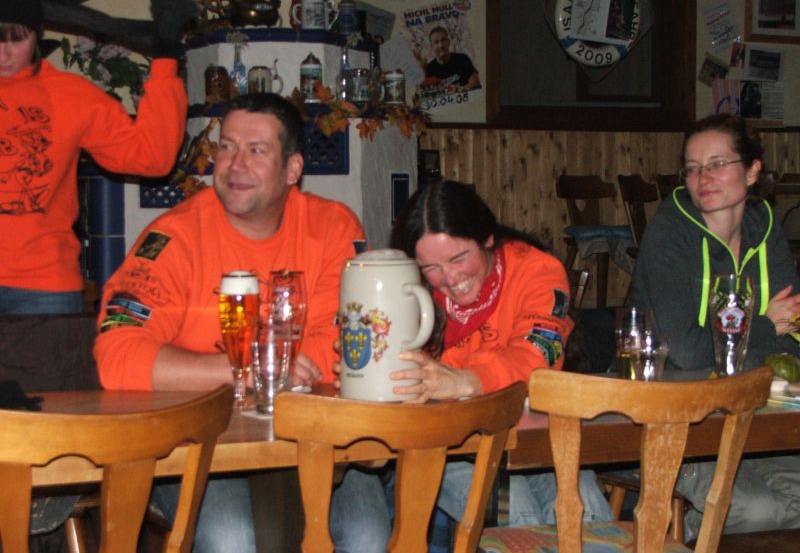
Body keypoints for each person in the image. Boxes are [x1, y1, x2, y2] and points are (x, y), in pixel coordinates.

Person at [94, 93, 365, 552]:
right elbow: (116, 357)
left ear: (293, 169)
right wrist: (247, 371)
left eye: (256, 150)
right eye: (226, 147)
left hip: (313, 435)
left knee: (365, 534)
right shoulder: (172, 238)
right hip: (197, 438)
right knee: (230, 538)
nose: (235, 165)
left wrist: (273, 373)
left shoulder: (333, 228)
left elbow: (342, 340)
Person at [329, 180, 612, 552]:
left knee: (586, 509)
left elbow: (535, 359)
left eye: (459, 258)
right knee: (519, 512)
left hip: (534, 438)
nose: (450, 279)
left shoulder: (537, 270)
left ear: (488, 238)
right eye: (431, 267)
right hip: (446, 447)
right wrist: (359, 369)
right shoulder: (401, 289)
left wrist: (464, 380)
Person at [632, 113, 800, 539]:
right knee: (756, 510)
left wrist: (775, 335)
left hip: (754, 417)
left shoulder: (766, 231)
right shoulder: (668, 236)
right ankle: (680, 541)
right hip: (677, 422)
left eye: (717, 164)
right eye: (692, 168)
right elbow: (687, 352)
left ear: (753, 170)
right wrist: (767, 327)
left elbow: (795, 333)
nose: (703, 178)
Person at [0, 0, 187, 314]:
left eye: (17, 39)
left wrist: (165, 60)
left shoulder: (71, 96)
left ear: (38, 34)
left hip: (41, 287)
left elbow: (151, 157)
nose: (3, 54)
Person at [415, 26, 481, 93]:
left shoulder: (462, 58)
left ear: (448, 42)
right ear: (432, 47)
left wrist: (459, 91)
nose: (440, 45)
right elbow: (427, 93)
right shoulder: (430, 68)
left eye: (443, 40)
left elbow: (476, 82)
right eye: (436, 42)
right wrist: (424, 71)